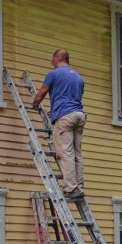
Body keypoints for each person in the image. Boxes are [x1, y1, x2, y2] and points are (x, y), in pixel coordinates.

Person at [32, 48, 87, 200]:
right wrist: (56, 111)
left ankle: (70, 189)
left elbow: (41, 93)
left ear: (56, 59)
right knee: (77, 153)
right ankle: (79, 187)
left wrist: (35, 104)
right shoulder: (78, 77)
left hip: (65, 119)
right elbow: (71, 98)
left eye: (52, 62)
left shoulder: (54, 74)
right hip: (79, 115)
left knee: (65, 153)